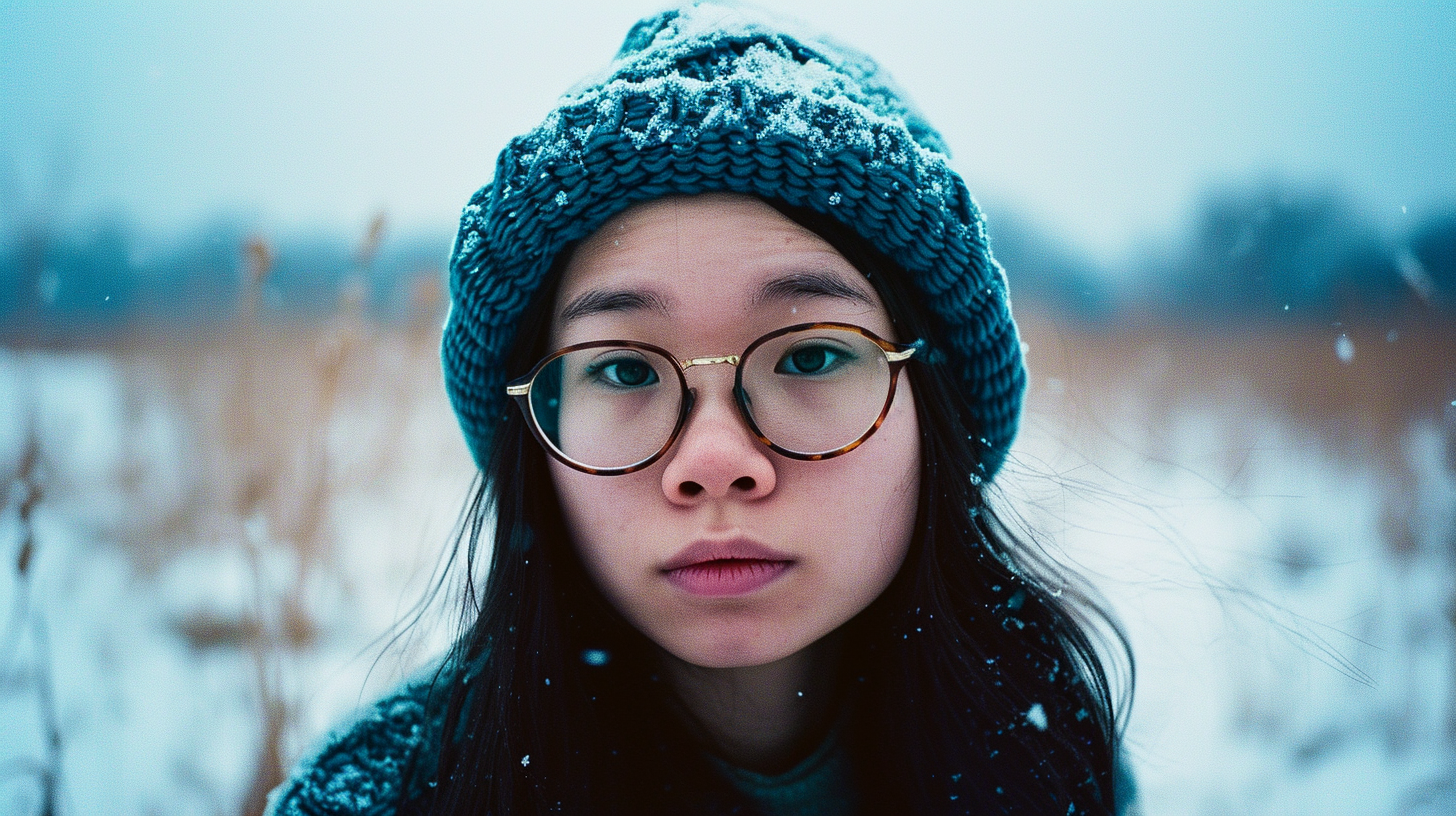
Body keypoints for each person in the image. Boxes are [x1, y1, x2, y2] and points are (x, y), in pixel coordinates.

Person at [268, 3, 1132, 814]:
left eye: (812, 355)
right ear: (539, 428)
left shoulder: (1047, 756)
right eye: (623, 372)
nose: (714, 460)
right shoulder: (390, 798)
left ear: (930, 411)